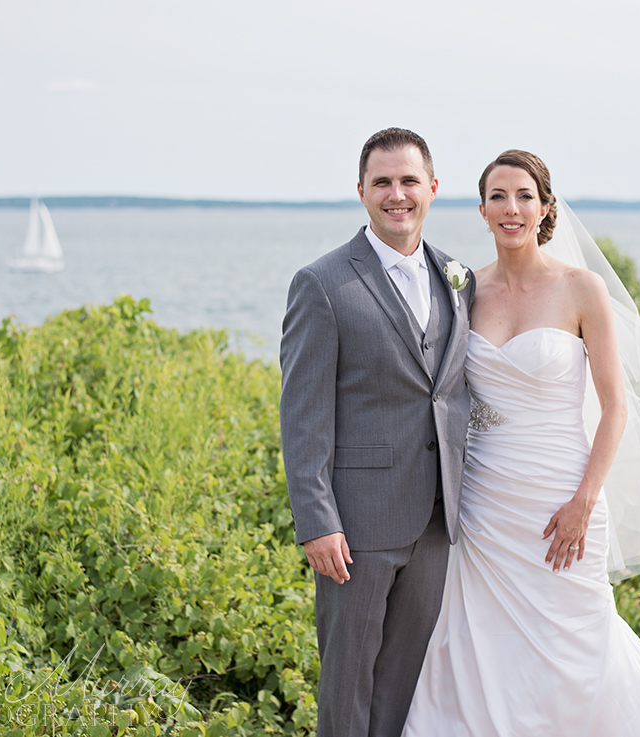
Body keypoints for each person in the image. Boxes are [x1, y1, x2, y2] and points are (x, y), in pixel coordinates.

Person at [402, 150, 640, 736]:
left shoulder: (582, 289)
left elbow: (615, 406)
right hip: (485, 503)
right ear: (481, 209)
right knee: (479, 647)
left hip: (565, 496)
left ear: (545, 207)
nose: (511, 208)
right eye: (498, 196)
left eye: (524, 195)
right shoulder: (464, 291)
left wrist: (584, 500)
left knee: (577, 646)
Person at [280, 128, 476, 737]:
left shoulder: (456, 277)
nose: (397, 194)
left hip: (436, 521)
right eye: (383, 182)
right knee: (347, 684)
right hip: (356, 527)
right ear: (361, 191)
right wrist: (317, 520)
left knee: (402, 683)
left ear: (433, 189)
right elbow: (302, 414)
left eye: (409, 181)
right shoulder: (323, 283)